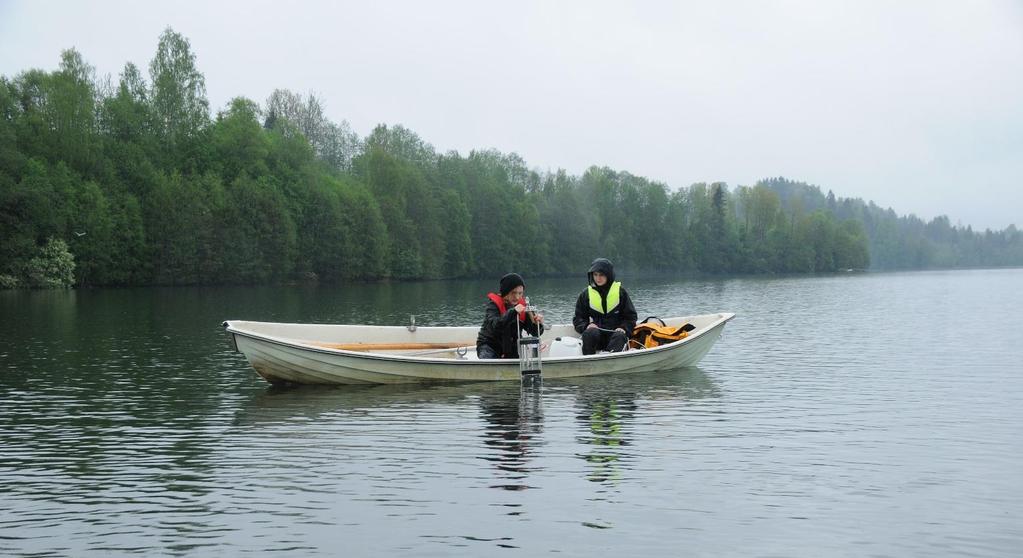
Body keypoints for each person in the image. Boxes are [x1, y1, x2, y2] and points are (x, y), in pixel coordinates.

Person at [572, 258, 638, 355]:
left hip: (616, 335)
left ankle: (610, 360)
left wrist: (623, 328)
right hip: (596, 336)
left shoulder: (621, 292)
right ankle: (589, 362)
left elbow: (631, 317)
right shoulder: (586, 294)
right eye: (595, 275)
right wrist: (587, 326)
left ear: (609, 275)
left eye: (601, 275)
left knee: (620, 335)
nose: (598, 278)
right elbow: (578, 319)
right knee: (590, 333)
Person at [476, 273, 545, 359]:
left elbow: (535, 333)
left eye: (520, 293)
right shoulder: (493, 305)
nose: (517, 297)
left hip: (511, 348)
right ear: (505, 292)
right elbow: (496, 326)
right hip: (489, 346)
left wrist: (538, 324)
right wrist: (514, 311)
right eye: (513, 293)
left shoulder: (525, 306)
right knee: (488, 362)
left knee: (516, 361)